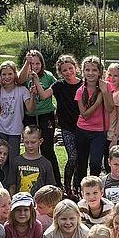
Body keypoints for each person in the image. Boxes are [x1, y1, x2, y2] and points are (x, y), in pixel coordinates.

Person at [20, 49, 62, 185]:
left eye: (38, 63)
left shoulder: (48, 76)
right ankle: (34, 179)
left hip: (46, 115)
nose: (35, 66)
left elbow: (56, 90)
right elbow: (19, 80)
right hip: (30, 116)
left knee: (47, 148)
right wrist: (27, 64)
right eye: (32, 64)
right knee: (31, 147)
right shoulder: (25, 77)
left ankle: (56, 182)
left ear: (42, 63)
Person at [73, 55, 112, 184]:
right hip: (82, 129)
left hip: (99, 131)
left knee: (95, 162)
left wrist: (104, 92)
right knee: (82, 161)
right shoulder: (80, 90)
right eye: (87, 70)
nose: (90, 73)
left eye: (94, 70)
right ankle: (80, 187)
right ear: (83, 72)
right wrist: (98, 101)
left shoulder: (106, 87)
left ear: (100, 72)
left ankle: (94, 185)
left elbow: (110, 108)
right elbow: (85, 115)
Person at [52, 55, 83, 196]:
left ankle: (77, 186)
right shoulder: (59, 86)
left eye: (71, 68)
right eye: (64, 70)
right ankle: (67, 185)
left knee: (81, 159)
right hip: (66, 127)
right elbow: (45, 95)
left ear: (76, 68)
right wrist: (35, 82)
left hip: (82, 126)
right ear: (60, 72)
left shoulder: (83, 84)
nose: (68, 72)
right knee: (73, 157)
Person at [0, 60, 35, 150]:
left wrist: (32, 95)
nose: (7, 77)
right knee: (2, 156)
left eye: (10, 74)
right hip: (1, 129)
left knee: (13, 156)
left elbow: (30, 109)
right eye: (4, 75)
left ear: (15, 74)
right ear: (0, 76)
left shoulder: (22, 90)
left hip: (15, 130)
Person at [7, 126, 56, 196]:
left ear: (40, 141)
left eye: (33, 142)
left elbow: (49, 189)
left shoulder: (46, 164)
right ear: (22, 140)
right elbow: (12, 186)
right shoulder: (16, 161)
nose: (30, 146)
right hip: (20, 203)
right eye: (26, 142)